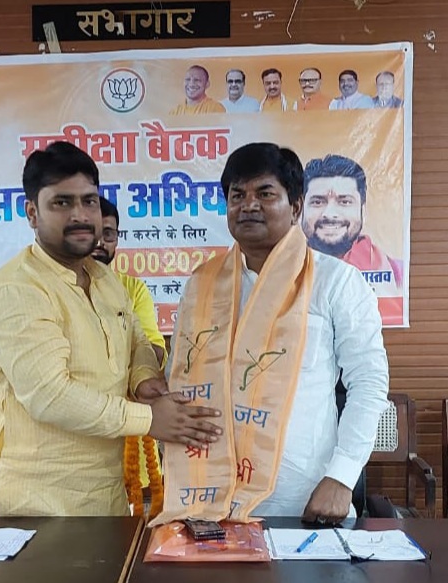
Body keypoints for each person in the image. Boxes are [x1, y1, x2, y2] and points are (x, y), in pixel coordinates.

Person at [0, 141, 222, 518]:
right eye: (62, 203)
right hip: (23, 507)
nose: (80, 215)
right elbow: (50, 396)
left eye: (89, 201)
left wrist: (144, 378)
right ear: (32, 213)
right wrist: (150, 418)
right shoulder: (18, 290)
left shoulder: (105, 279)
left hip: (100, 500)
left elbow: (136, 341)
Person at [151, 143, 388, 526]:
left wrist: (342, 477)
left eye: (264, 193)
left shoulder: (335, 281)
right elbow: (181, 377)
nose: (248, 205)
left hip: (304, 501)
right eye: (237, 196)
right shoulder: (202, 284)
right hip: (210, 503)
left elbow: (369, 383)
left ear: (295, 207)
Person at [302, 153, 403, 291]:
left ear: (363, 210)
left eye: (344, 202)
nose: (329, 214)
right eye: (317, 202)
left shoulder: (399, 277)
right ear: (300, 209)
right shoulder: (281, 271)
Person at [92, 196, 166, 368]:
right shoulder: (57, 286)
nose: (99, 242)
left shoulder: (133, 289)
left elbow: (156, 352)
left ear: (117, 239)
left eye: (107, 234)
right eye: (92, 233)